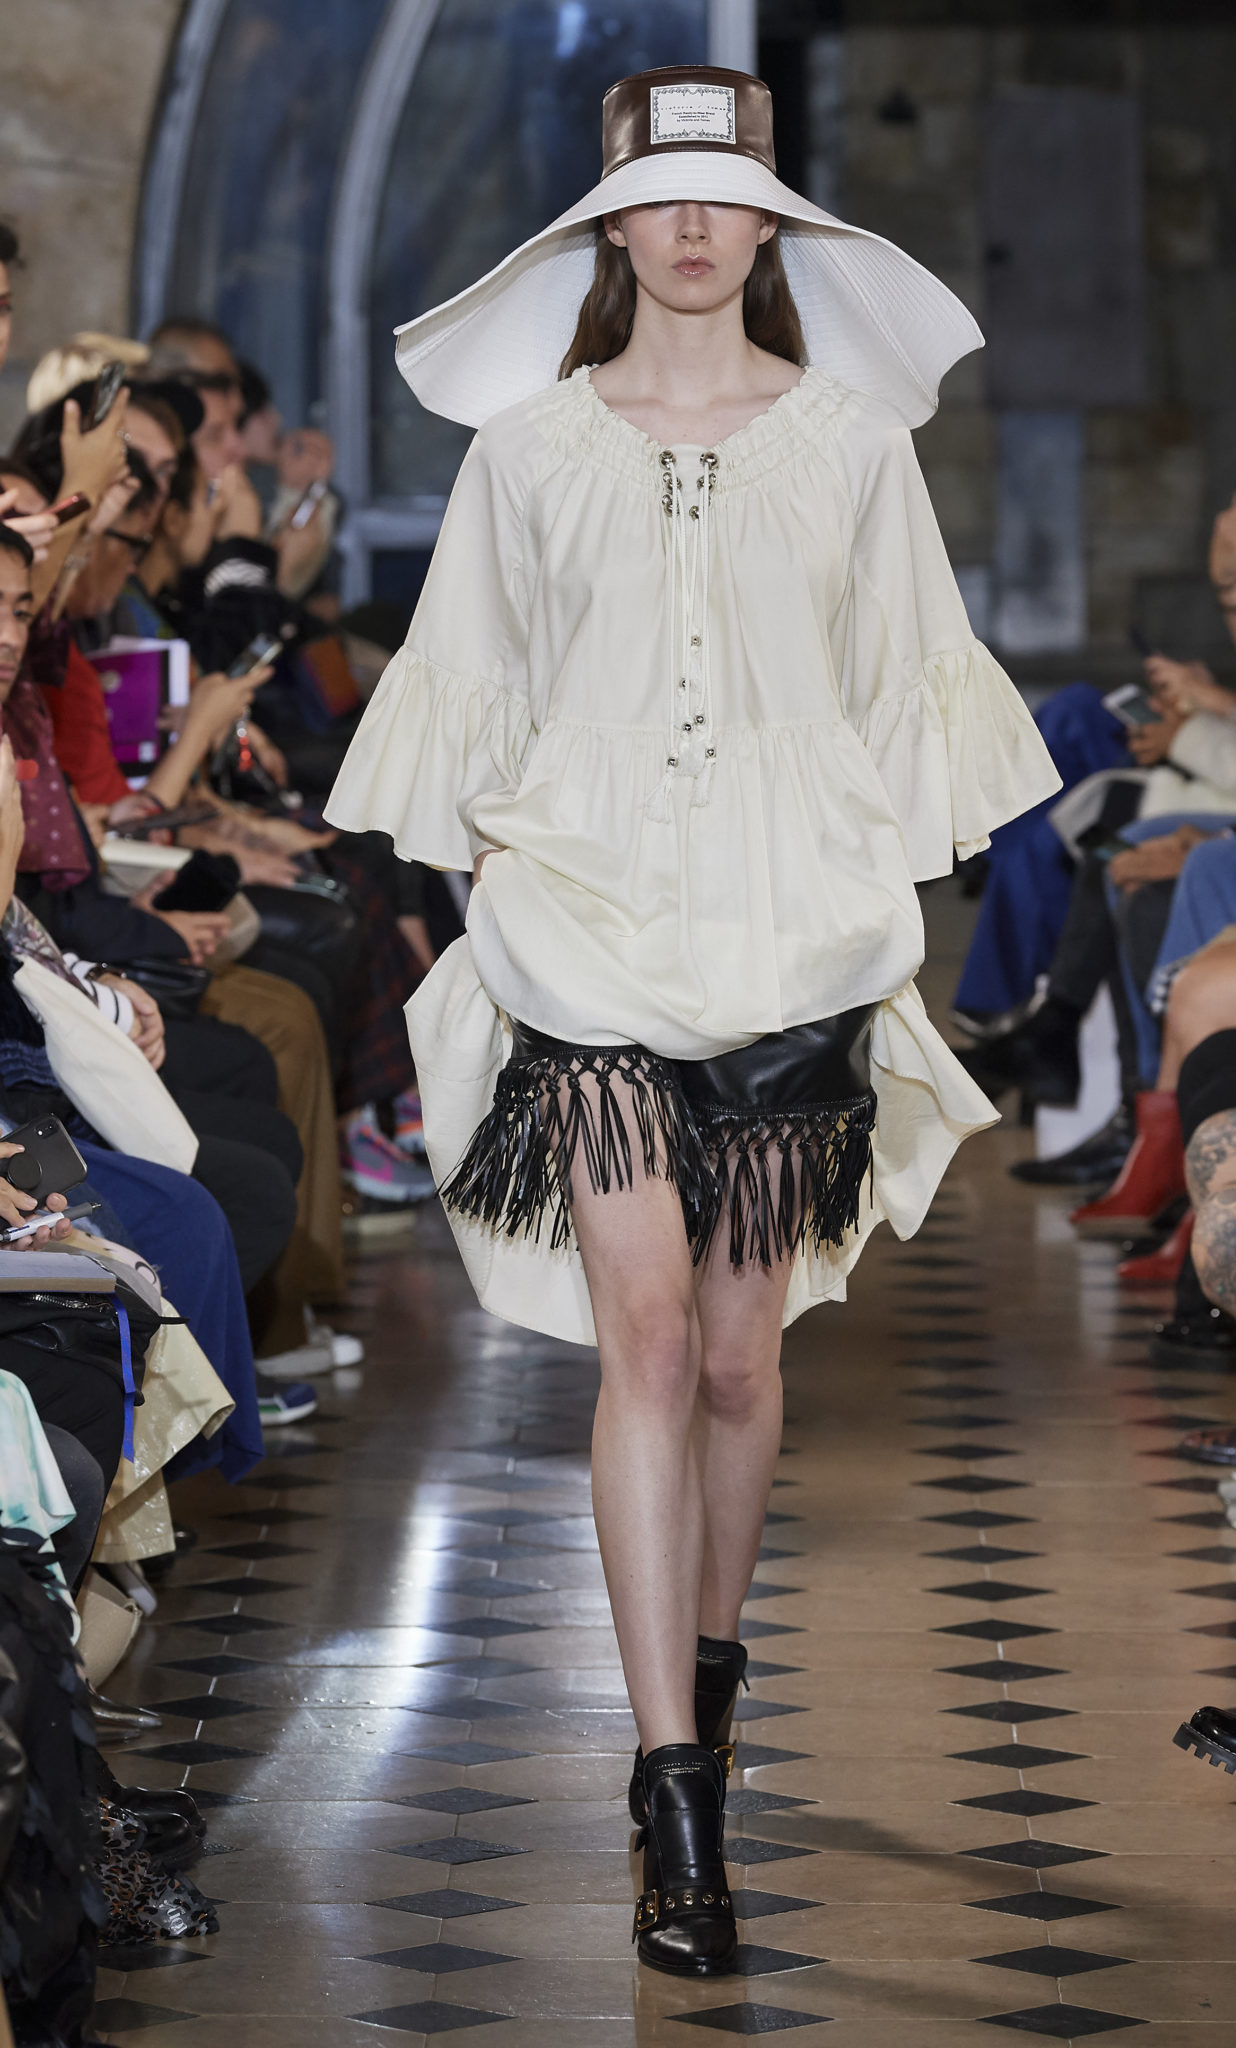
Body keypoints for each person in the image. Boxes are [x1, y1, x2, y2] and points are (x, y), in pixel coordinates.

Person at [327, 65, 1058, 1976]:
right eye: (659, 194)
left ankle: (706, 1679)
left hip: (792, 939)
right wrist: (508, 875)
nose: (692, 224)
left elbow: (903, 687)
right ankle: (675, 1794)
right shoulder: (525, 452)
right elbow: (469, 688)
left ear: (772, 221)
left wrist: (860, 889)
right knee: (643, 1341)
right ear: (607, 223)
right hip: (582, 933)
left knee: (739, 1361)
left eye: (726, 193)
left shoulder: (851, 445)